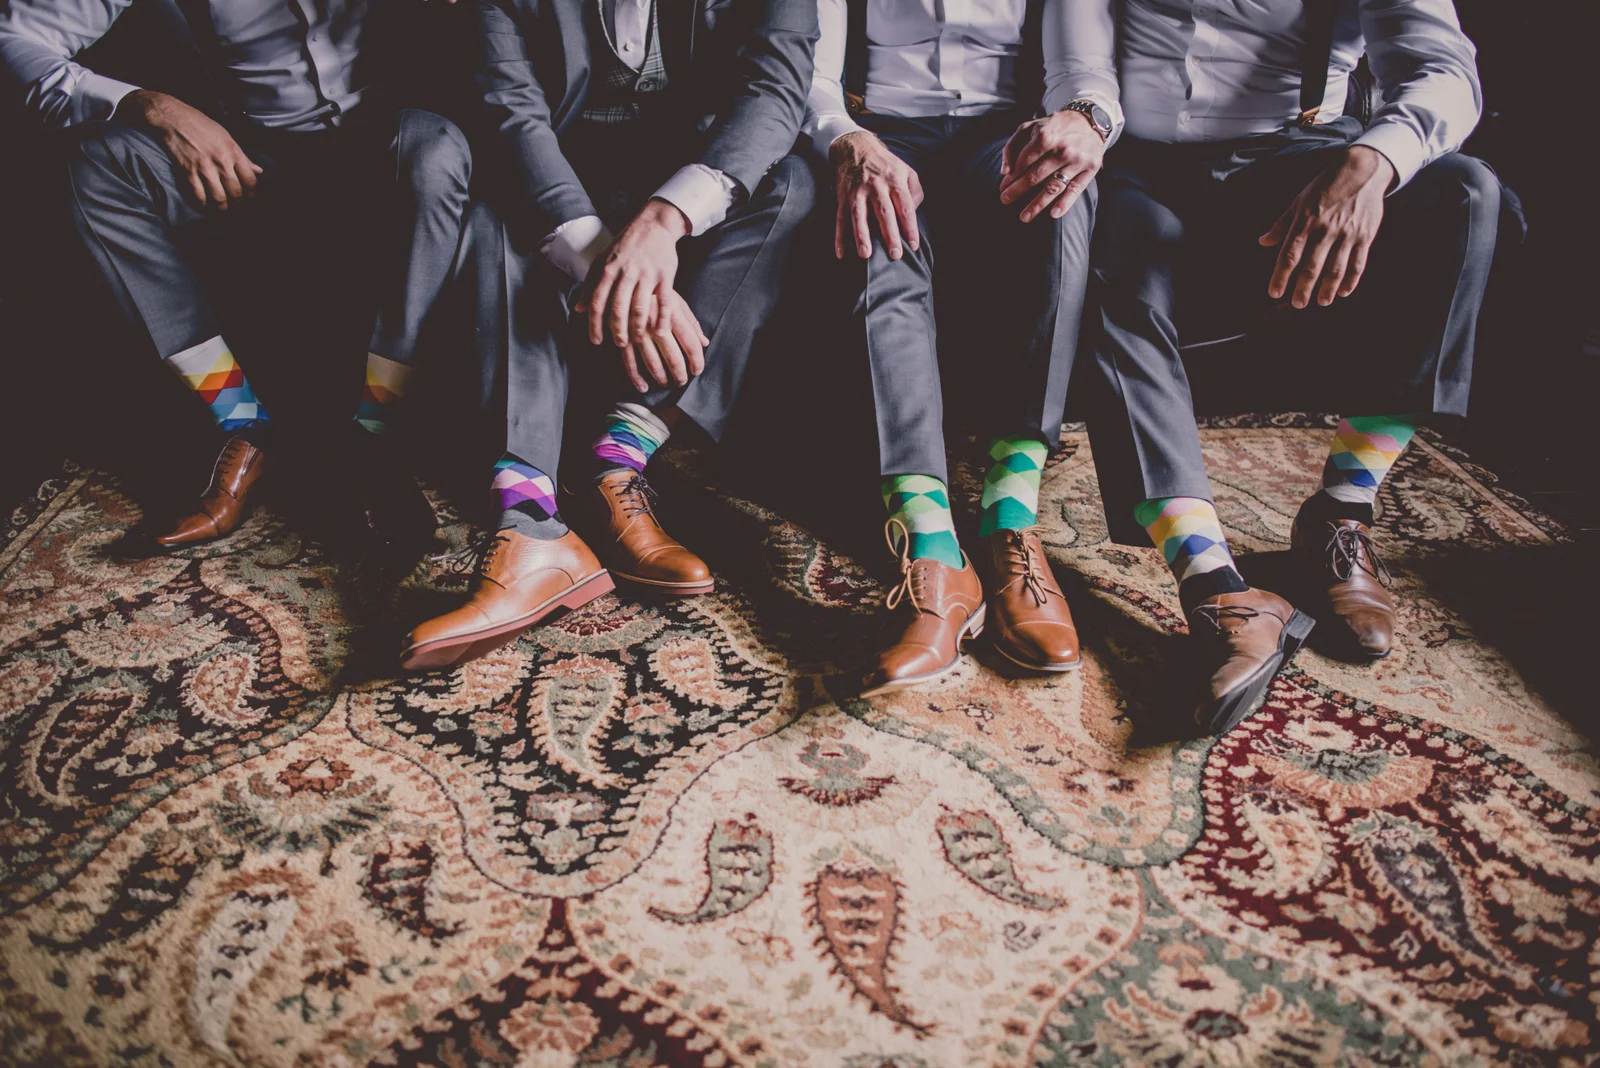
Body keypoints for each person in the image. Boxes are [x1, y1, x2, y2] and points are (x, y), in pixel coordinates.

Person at [1080, 0, 1498, 733]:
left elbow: (1445, 70)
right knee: (1108, 259)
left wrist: (1375, 160)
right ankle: (1216, 584)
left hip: (1298, 158)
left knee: (1465, 194)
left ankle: (1340, 511)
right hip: (1135, 164)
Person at [398, 0, 820, 670]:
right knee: (489, 215)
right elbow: (511, 112)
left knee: (794, 184)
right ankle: (530, 522)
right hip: (556, 189)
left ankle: (616, 459)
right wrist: (620, 274)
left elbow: (775, 92)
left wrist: (665, 222)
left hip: (690, 188)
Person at [0, 0, 476, 552]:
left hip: (393, 136)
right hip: (248, 156)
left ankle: (373, 434)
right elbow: (13, 40)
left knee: (435, 149)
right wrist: (145, 103)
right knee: (98, 165)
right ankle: (244, 425)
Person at [805, 0, 1113, 695]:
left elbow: (1082, 68)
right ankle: (933, 547)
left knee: (1065, 197)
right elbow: (813, 72)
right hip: (883, 129)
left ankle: (1012, 516)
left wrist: (1080, 119)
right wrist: (848, 138)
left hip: (1007, 137)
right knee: (875, 217)